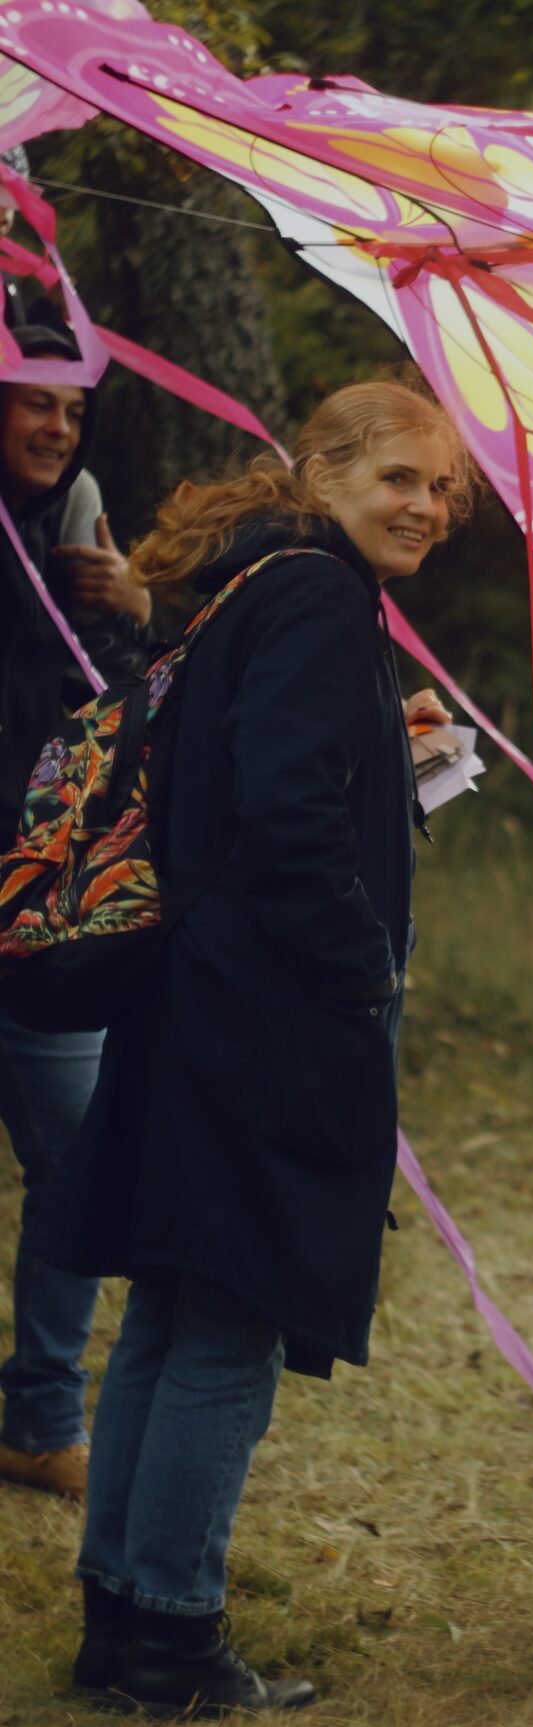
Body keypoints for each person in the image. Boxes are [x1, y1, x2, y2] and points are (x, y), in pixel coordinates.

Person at [22, 377, 470, 1717]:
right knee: (229, 1320)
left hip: (199, 1002)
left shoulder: (251, 589)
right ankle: (170, 1633)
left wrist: (383, 757)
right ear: (321, 470)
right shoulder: (319, 599)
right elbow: (283, 808)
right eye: (398, 477)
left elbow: (263, 769)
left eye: (442, 490)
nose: (426, 507)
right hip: (267, 1016)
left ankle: (121, 1618)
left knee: (172, 1305)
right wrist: (360, 967)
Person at [0, 314, 153, 1503]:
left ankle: (42, 1417)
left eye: (72, 407)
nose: (56, 426)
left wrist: (128, 606)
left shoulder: (73, 522)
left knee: (78, 1158)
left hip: (32, 917)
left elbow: (109, 713)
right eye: (31, 400)